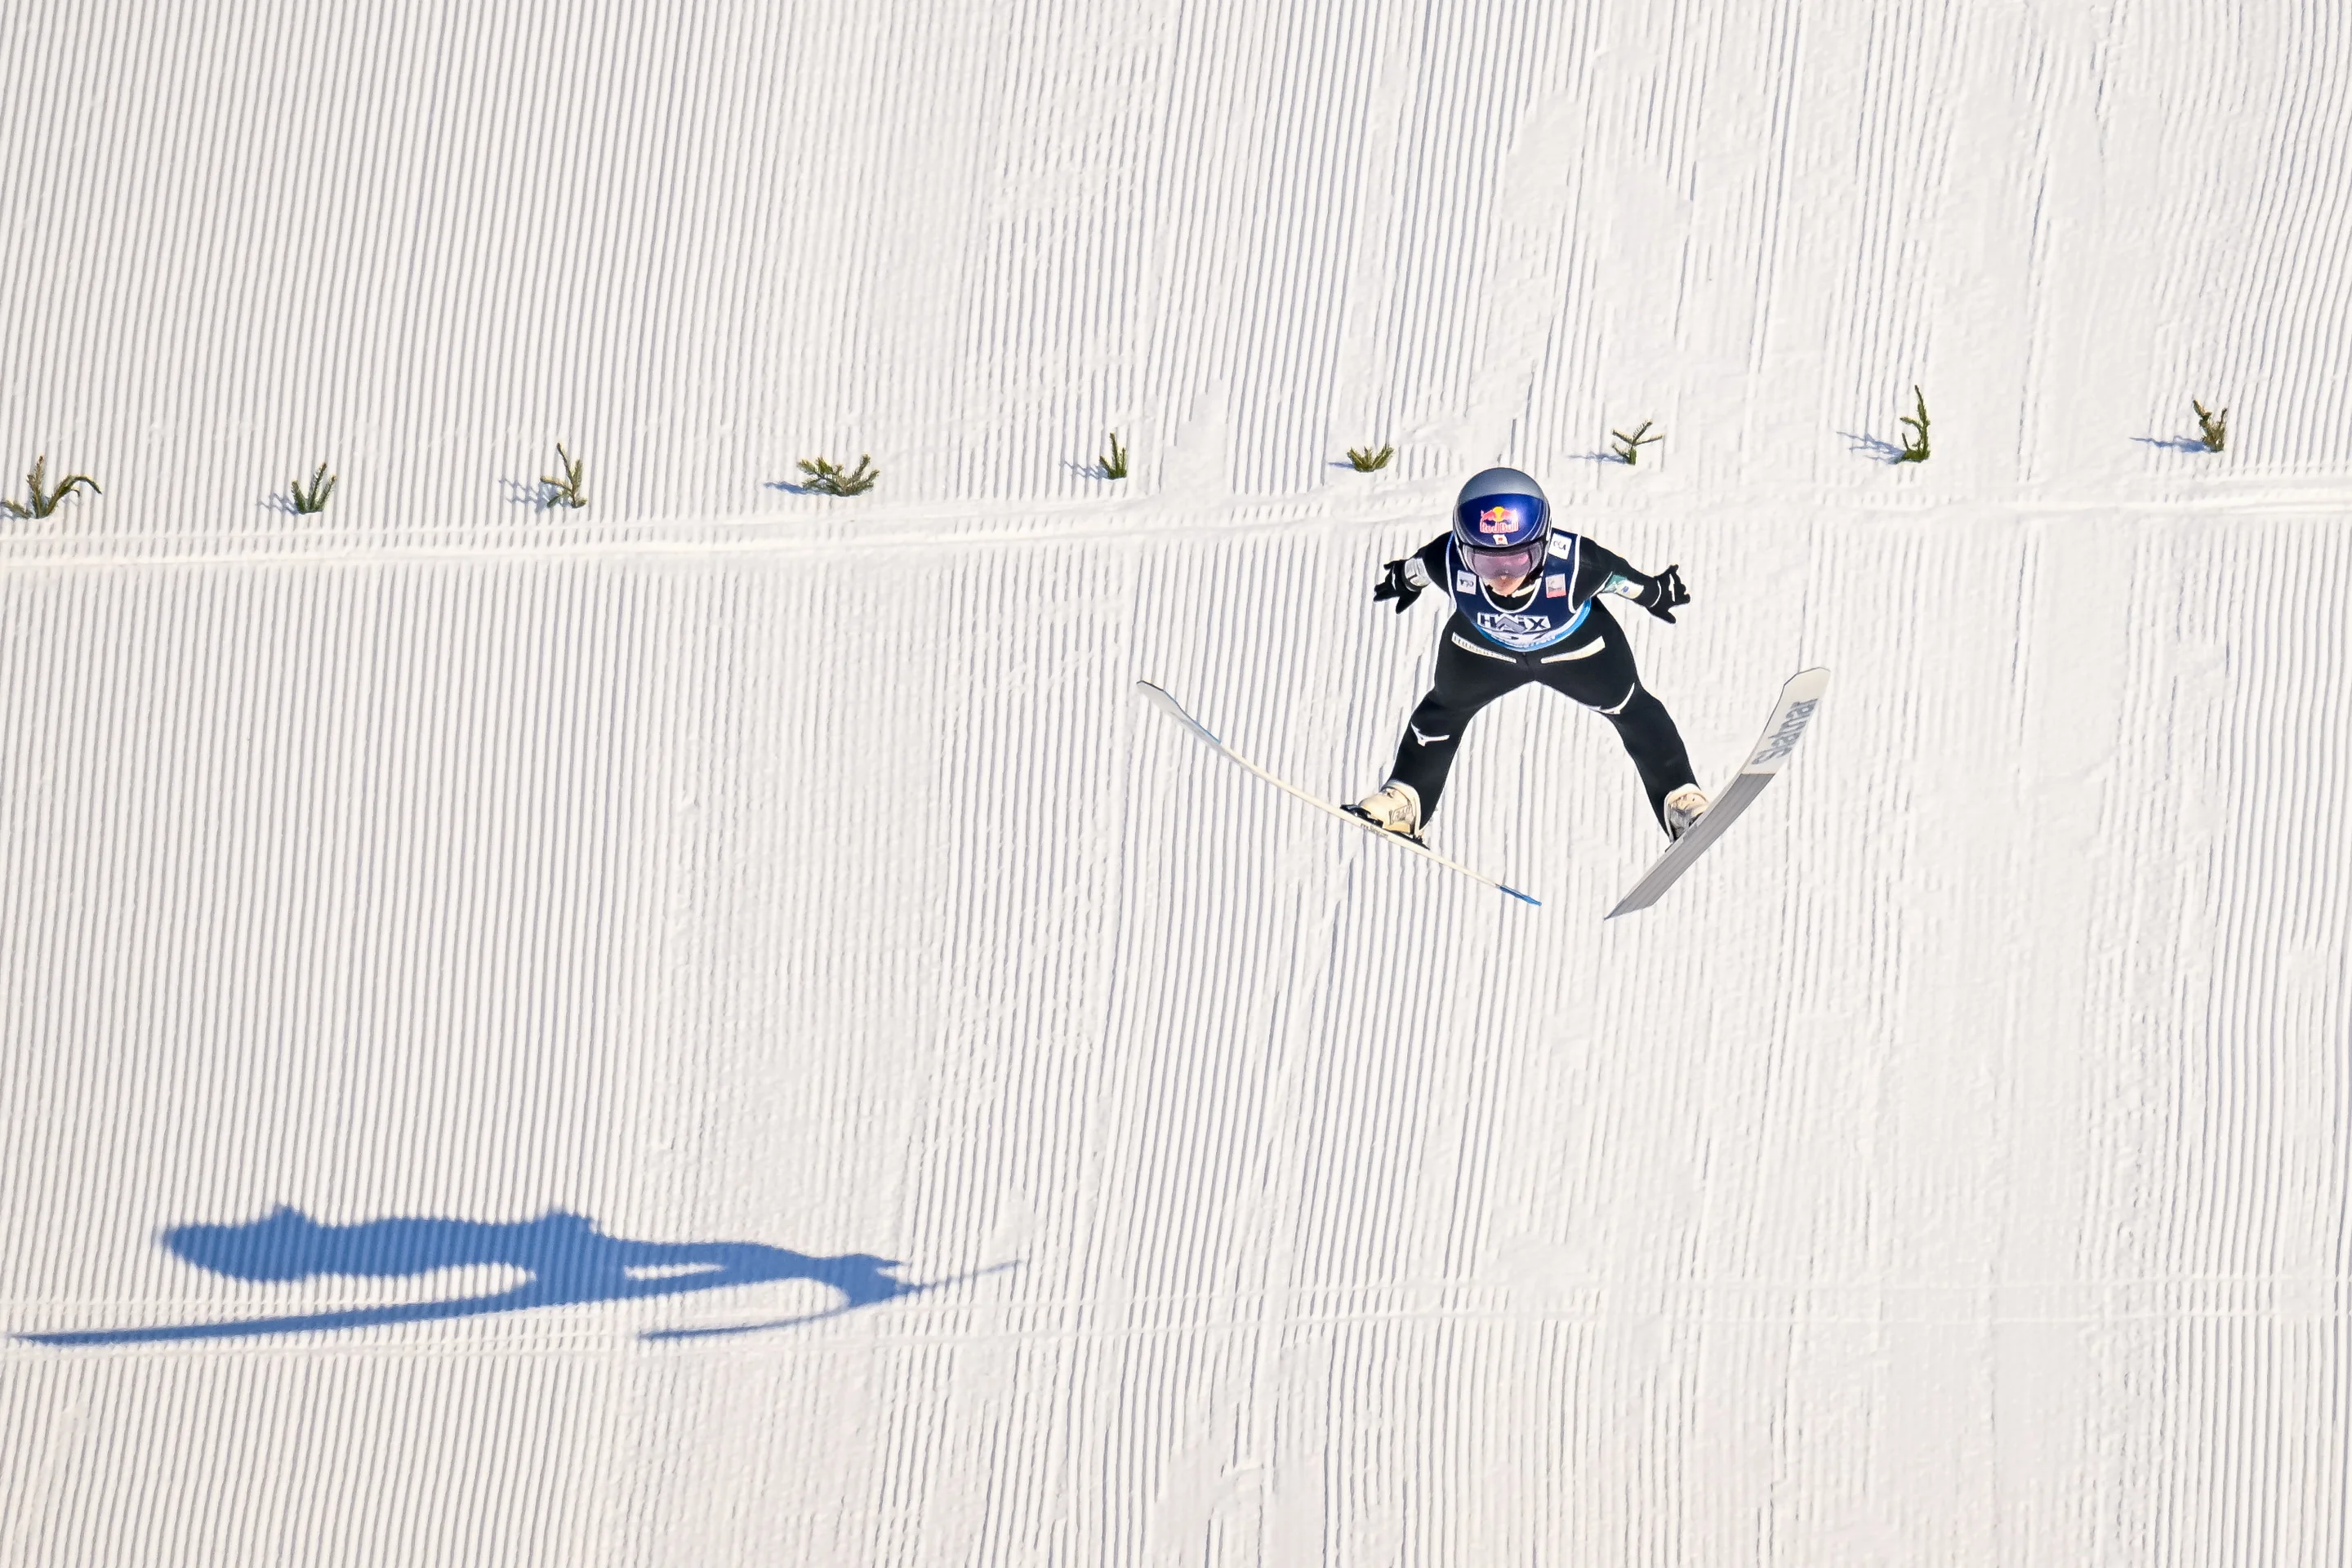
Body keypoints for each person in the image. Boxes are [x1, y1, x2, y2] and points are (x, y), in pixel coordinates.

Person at [1347, 466, 1709, 844]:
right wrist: (1401, 580)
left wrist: (1657, 593)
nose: (1503, 576)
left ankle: (1679, 797)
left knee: (1633, 709)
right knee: (1441, 711)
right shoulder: (1448, 559)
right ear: (1464, 550)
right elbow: (1416, 569)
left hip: (1576, 654)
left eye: (1520, 559)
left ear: (1544, 543)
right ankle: (1406, 798)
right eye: (1487, 562)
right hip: (1483, 653)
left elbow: (1626, 581)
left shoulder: (1578, 564)